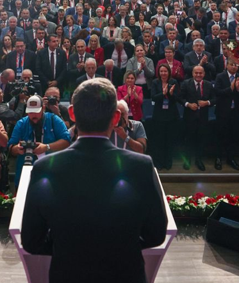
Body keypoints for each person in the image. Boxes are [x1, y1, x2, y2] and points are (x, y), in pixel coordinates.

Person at [21, 78, 167, 283]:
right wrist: (122, 243)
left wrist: (66, 243)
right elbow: (156, 234)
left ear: (71, 113)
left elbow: (31, 241)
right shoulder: (141, 166)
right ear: (116, 117)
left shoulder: (44, 168)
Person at [7, 95, 71, 186]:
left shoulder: (53, 119)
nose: (33, 115)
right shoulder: (21, 123)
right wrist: (17, 149)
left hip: (51, 169)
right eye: (30, 112)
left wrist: (47, 147)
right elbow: (10, 147)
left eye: (36, 112)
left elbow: (66, 141)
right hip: (25, 171)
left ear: (43, 108)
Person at [179, 65, 216, 171]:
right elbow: (180, 98)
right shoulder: (186, 83)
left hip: (203, 118)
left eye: (200, 73)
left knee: (201, 140)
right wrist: (188, 104)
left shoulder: (208, 85)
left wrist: (207, 103)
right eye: (196, 73)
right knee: (188, 140)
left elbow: (215, 99)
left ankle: (198, 160)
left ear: (204, 74)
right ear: (192, 73)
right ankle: (187, 160)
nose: (198, 75)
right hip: (189, 117)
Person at [149, 64, 180, 170]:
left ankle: (168, 161)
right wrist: (163, 94)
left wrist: (170, 94)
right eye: (161, 71)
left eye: (165, 71)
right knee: (159, 140)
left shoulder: (174, 82)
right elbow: (153, 97)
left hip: (171, 115)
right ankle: (159, 161)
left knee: (169, 140)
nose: (163, 73)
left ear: (169, 72)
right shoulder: (155, 82)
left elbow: (176, 99)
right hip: (159, 115)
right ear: (158, 72)